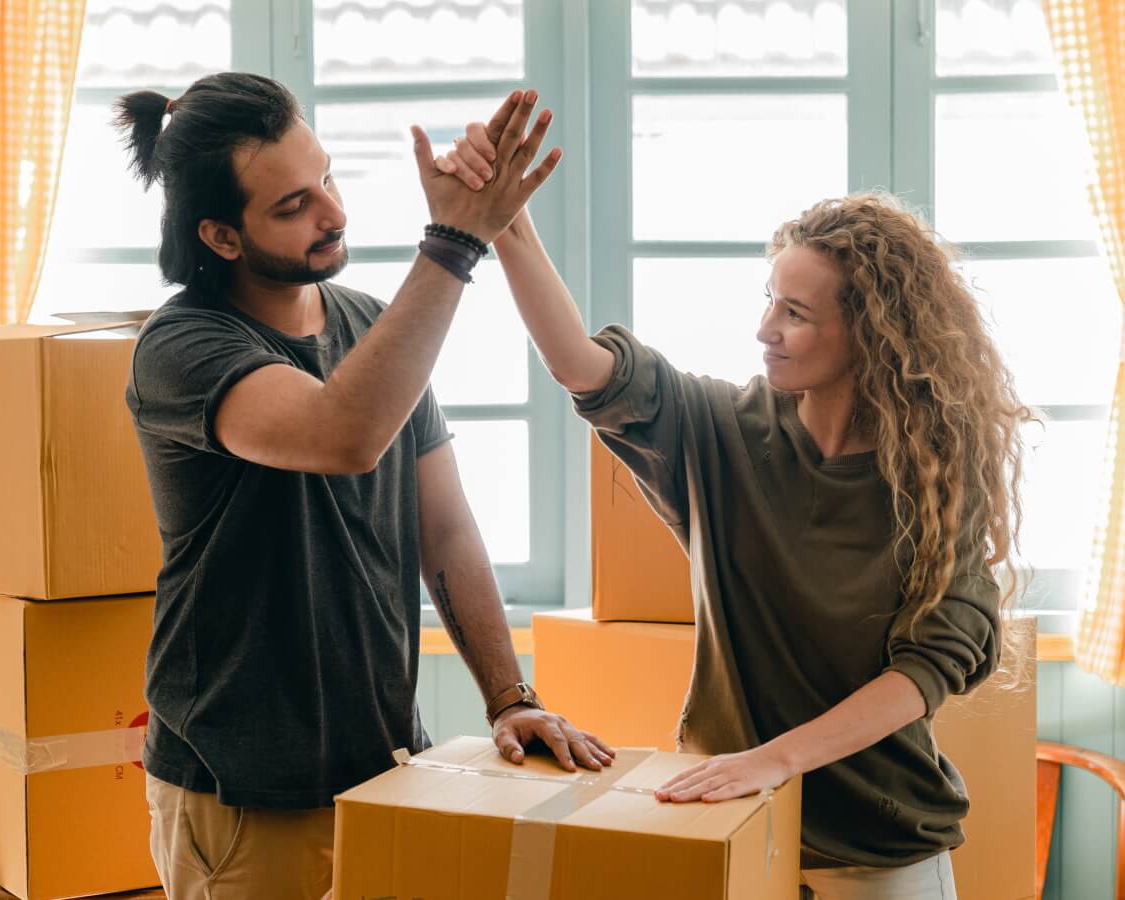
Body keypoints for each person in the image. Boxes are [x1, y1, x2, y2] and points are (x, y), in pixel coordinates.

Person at [436, 109, 1033, 900]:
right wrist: (505, 223)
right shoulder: (718, 429)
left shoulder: (934, 478)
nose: (764, 330)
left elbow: (925, 670)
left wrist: (774, 759)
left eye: (795, 313)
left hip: (877, 850)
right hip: (723, 823)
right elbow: (583, 366)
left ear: (872, 334)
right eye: (769, 300)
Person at [114, 75, 612, 900]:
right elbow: (340, 436)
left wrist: (509, 697)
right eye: (292, 206)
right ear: (222, 236)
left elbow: (444, 528)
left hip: (385, 766)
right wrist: (453, 241)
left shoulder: (374, 328)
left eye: (329, 178)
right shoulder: (183, 347)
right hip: (240, 790)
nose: (333, 213)